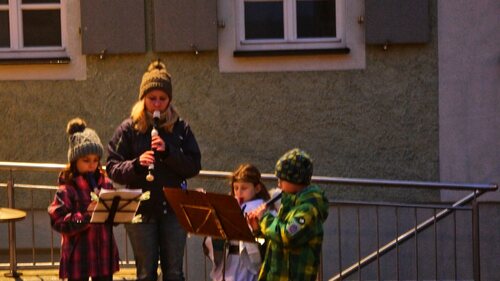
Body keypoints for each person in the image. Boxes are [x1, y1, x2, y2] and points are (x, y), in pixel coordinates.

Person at [106, 60, 202, 281]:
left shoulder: (180, 128)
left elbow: (194, 165)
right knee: (145, 274)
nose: (157, 104)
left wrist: (168, 152)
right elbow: (112, 166)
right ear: (143, 99)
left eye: (162, 99)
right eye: (152, 99)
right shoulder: (129, 129)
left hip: (173, 210)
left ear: (169, 100)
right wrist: (137, 164)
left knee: (174, 273)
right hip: (141, 210)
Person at [48, 118, 119, 281]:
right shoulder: (67, 188)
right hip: (79, 255)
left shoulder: (105, 184)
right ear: (75, 161)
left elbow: (114, 219)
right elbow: (58, 221)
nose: (92, 165)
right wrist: (87, 216)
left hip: (103, 255)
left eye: (95, 160)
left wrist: (115, 210)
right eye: (86, 161)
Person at [247, 148, 329, 281]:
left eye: (282, 179)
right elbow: (276, 239)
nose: (278, 184)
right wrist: (257, 229)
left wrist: (264, 218)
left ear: (295, 180)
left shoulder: (308, 209)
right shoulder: (289, 203)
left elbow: (287, 235)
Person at [203, 164, 270, 281]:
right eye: (236, 188)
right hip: (228, 261)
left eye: (244, 188)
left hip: (247, 263)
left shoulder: (262, 209)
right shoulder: (227, 207)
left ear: (257, 188)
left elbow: (265, 242)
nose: (239, 193)